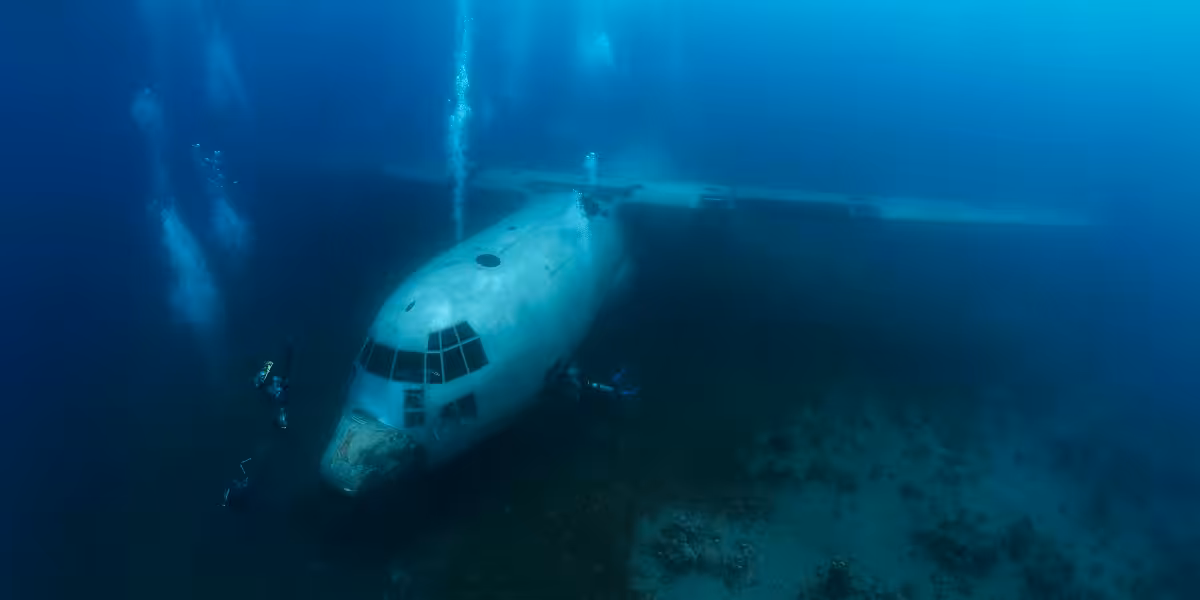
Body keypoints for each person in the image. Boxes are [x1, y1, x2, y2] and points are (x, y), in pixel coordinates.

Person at [254, 338, 293, 429]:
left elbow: (266, 390)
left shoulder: (278, 405)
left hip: (277, 384)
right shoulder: (281, 405)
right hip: (280, 383)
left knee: (260, 381)